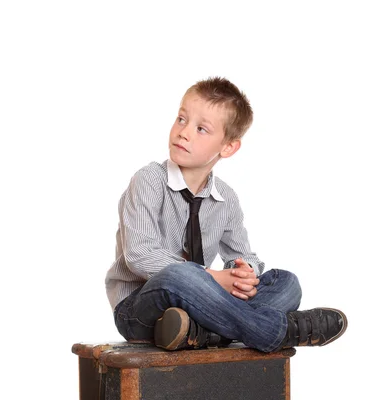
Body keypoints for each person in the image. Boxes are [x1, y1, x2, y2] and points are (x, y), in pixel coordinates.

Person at [104, 77, 347, 353]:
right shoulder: (148, 180)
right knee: (179, 276)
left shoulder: (226, 198)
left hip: (201, 308)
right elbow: (139, 255)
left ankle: (206, 334)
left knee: (287, 283)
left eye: (201, 129)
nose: (183, 132)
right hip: (141, 311)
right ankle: (275, 331)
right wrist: (212, 278)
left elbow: (245, 256)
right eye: (181, 119)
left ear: (228, 147)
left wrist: (244, 273)